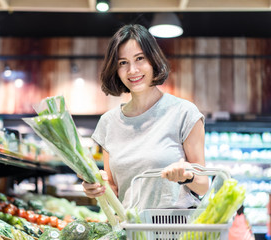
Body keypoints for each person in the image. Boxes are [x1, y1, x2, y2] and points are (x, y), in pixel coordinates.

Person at [82, 24, 209, 210]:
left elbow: (203, 185)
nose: (132, 70)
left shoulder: (184, 113)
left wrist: (187, 176)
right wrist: (96, 188)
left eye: (139, 58)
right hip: (130, 231)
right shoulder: (109, 123)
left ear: (153, 60)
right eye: (123, 62)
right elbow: (114, 192)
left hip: (176, 231)